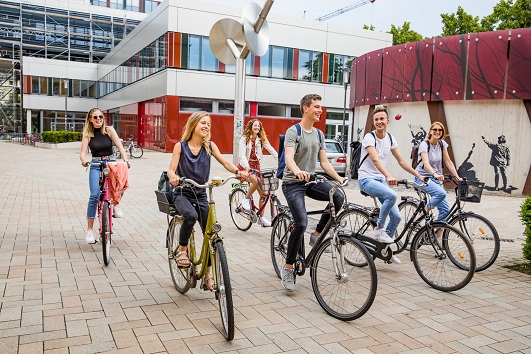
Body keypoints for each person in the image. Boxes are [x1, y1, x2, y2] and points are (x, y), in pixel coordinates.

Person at [166, 111, 248, 291]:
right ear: (194, 125)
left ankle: (208, 275)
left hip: (202, 193)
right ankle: (181, 250)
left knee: (211, 232)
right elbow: (171, 170)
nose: (206, 126)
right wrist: (174, 177)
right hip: (182, 192)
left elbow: (226, 163)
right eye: (203, 123)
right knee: (190, 216)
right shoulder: (181, 147)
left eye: (208, 124)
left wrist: (238, 172)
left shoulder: (209, 146)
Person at [280, 94, 346, 291]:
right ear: (305, 108)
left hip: (310, 181)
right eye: (316, 106)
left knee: (338, 196)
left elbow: (324, 162)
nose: (320, 110)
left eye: (321, 107)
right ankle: (288, 266)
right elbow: (289, 157)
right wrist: (297, 171)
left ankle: (317, 234)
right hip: (293, 183)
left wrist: (339, 179)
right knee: (300, 223)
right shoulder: (294, 131)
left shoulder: (319, 134)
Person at [357, 105, 425, 264]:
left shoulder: (390, 138)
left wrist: (418, 175)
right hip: (366, 179)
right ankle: (379, 229)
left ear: (388, 121)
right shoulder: (369, 137)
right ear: (374, 123)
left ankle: (384, 250)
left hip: (380, 180)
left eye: (382, 119)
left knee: (396, 217)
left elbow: (401, 161)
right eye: (376, 120)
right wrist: (388, 175)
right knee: (392, 195)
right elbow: (375, 160)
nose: (379, 122)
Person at [80, 108, 130, 244]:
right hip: (96, 164)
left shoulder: (109, 130)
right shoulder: (88, 134)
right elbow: (83, 152)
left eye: (100, 117)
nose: (98, 120)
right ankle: (90, 231)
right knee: (95, 195)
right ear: (90, 119)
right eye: (95, 117)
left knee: (121, 183)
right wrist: (84, 161)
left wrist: (125, 160)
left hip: (111, 163)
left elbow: (120, 147)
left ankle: (115, 204)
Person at [414, 121, 462, 225]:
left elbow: (448, 162)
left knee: (445, 211)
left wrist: (457, 177)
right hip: (422, 177)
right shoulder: (424, 144)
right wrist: (435, 174)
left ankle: (437, 237)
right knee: (441, 193)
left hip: (435, 179)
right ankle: (422, 212)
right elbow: (426, 164)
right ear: (430, 131)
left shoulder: (442, 144)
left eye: (440, 130)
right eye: (435, 129)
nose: (437, 132)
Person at [238, 119, 278, 227]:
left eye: (259, 126)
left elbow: (271, 149)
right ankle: (245, 201)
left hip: (257, 167)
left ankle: (261, 217)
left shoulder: (261, 139)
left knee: (264, 194)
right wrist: (246, 166)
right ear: (251, 126)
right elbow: (241, 155)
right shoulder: (244, 138)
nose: (257, 128)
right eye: (255, 126)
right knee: (255, 181)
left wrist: (282, 161)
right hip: (245, 167)